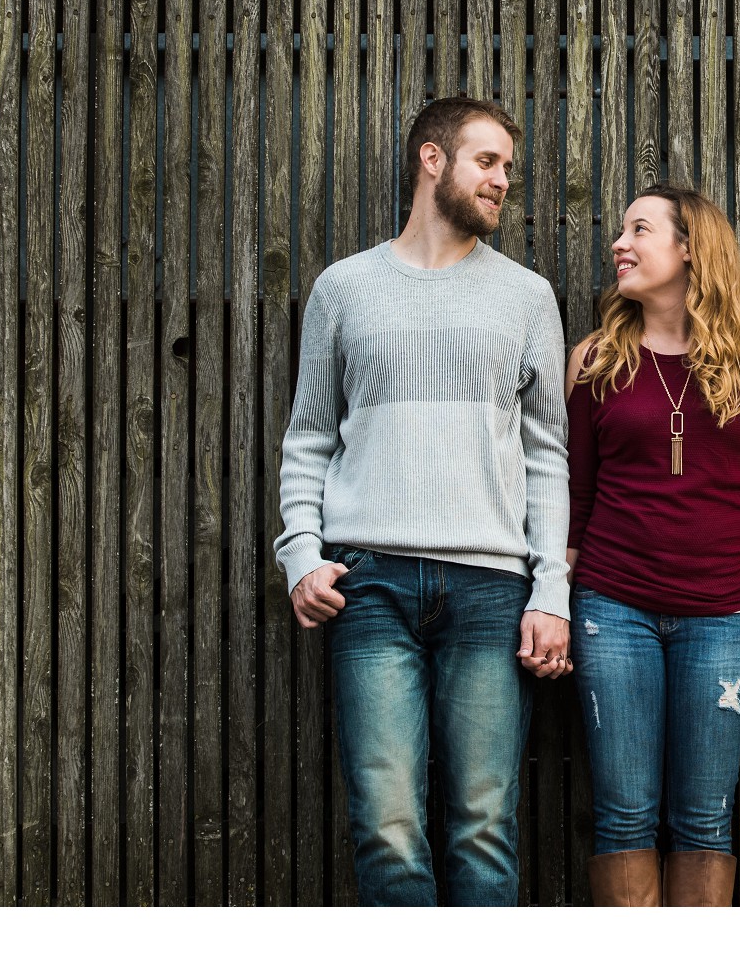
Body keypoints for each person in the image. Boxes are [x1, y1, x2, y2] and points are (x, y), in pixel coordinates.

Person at [274, 96, 572, 906]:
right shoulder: (342, 290)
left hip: (489, 589)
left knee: (483, 830)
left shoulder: (526, 297)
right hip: (367, 589)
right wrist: (301, 554)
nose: (503, 180)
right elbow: (307, 439)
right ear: (431, 160)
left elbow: (548, 456)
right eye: (487, 161)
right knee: (388, 830)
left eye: (508, 167)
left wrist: (552, 591)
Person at [565, 182, 740, 907]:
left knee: (704, 822)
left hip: (723, 619)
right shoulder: (596, 361)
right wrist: (552, 600)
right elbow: (573, 501)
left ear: (689, 247)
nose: (620, 243)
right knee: (624, 817)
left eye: (640, 229)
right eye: (621, 228)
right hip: (612, 614)